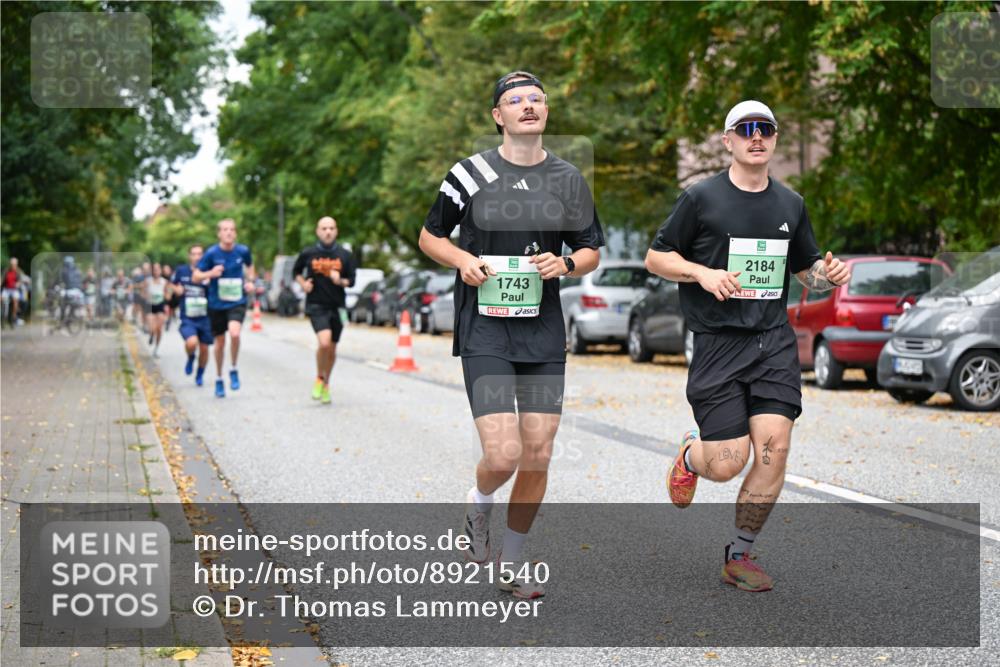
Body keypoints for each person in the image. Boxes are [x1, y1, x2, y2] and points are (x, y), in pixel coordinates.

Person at [644, 100, 851, 593]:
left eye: (766, 130)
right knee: (727, 463)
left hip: (773, 342)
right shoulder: (701, 199)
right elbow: (657, 257)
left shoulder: (790, 204)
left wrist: (828, 276)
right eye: (746, 130)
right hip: (718, 343)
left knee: (773, 453)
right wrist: (702, 272)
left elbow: (806, 270)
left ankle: (740, 555)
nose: (756, 137)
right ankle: (692, 455)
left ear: (774, 139)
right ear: (728, 140)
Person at [419, 71, 604, 599]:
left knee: (538, 453)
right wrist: (463, 261)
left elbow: (591, 249)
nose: (528, 106)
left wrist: (566, 264)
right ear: (498, 116)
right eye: (514, 100)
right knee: (502, 454)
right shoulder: (469, 173)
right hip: (486, 330)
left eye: (536, 99)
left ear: (546, 112)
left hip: (543, 331)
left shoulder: (568, 179)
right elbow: (430, 235)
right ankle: (479, 507)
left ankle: (513, 562)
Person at [293, 216, 357, 404]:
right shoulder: (308, 253)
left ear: (336, 231)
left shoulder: (345, 255)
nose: (328, 231)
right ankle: (319, 378)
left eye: (331, 228)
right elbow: (295, 273)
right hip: (316, 305)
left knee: (332, 349)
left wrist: (340, 281)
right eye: (324, 228)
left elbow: (351, 281)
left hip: (337, 306)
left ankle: (326, 383)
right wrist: (304, 284)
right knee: (324, 343)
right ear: (318, 231)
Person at [194, 218, 255, 398]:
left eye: (232, 230)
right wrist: (210, 273)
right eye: (225, 230)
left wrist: (250, 282)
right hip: (216, 304)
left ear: (235, 233)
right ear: (219, 233)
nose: (228, 232)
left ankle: (233, 368)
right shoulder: (212, 253)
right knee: (219, 344)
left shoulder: (242, 251)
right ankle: (219, 378)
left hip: (237, 301)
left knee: (235, 333)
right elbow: (196, 276)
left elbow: (250, 267)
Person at [171, 245, 212, 386]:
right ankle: (190, 356)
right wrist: (177, 289)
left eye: (199, 254)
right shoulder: (181, 270)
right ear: (189, 256)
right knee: (192, 342)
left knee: (205, 349)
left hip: (205, 317)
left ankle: (200, 373)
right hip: (188, 316)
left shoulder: (208, 272)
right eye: (194, 254)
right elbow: (173, 285)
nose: (197, 257)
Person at [145, 262, 168, 357]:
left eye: (158, 269)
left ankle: (156, 349)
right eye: (154, 269)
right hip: (150, 306)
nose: (156, 271)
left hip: (160, 305)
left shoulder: (164, 282)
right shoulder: (147, 281)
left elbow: (167, 294)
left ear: (160, 271)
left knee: (159, 329)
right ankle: (151, 334)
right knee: (152, 327)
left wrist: (167, 297)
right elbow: (143, 293)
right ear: (152, 271)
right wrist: (147, 296)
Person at [2, 257, 25, 327]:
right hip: (6, 289)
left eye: (14, 264)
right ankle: (3, 316)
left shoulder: (19, 271)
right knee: (1, 299)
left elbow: (21, 280)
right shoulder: (6, 271)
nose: (13, 266)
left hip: (14, 289)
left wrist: (18, 283)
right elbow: (2, 278)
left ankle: (13, 316)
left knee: (15, 301)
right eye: (12, 264)